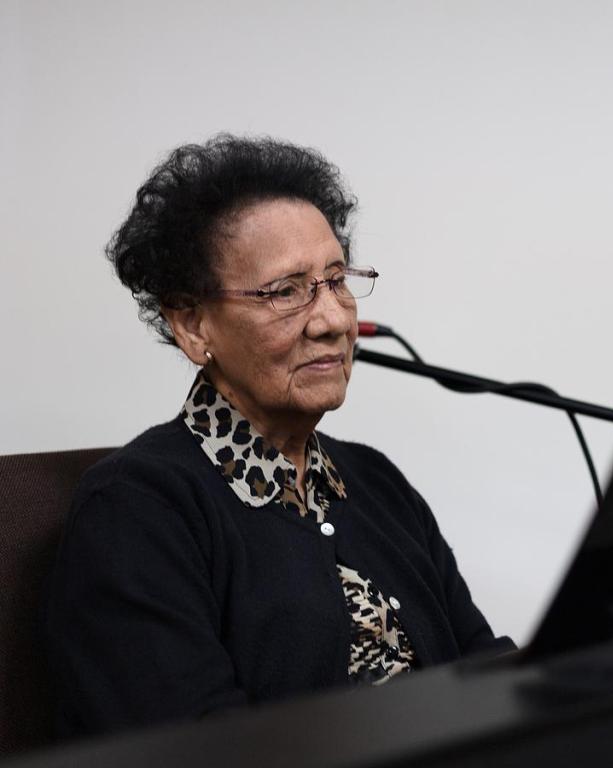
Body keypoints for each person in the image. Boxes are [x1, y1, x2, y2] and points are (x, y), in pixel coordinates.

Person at [45, 134, 512, 738]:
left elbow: (486, 671)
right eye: (286, 291)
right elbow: (200, 748)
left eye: (337, 280)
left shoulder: (374, 481)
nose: (334, 320)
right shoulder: (137, 510)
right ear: (192, 324)